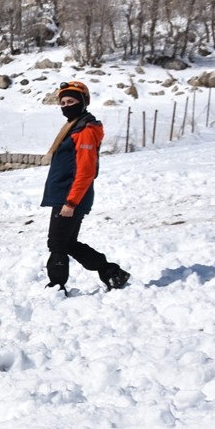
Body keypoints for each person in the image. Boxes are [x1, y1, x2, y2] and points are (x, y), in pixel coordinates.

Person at [41, 80, 130, 293]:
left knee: (57, 244)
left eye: (71, 101)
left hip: (71, 197)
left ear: (83, 102)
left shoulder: (85, 130)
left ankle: (56, 287)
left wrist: (71, 202)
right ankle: (111, 273)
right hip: (66, 195)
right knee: (68, 243)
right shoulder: (74, 127)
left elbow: (86, 171)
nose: (65, 105)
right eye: (62, 102)